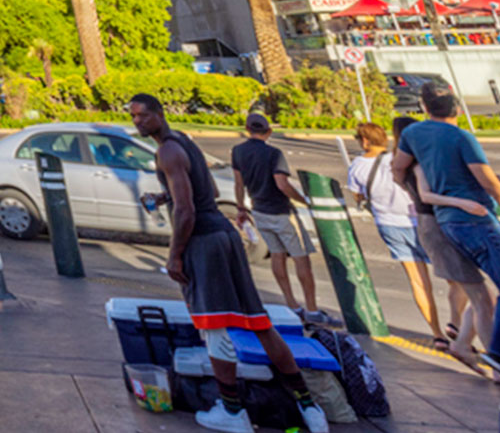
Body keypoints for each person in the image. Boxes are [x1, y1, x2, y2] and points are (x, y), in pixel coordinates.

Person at [130, 94, 325, 433]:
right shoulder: (182, 143)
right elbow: (194, 190)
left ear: (160, 114)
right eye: (133, 117)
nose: (137, 122)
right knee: (257, 321)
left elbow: (187, 210)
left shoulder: (168, 151)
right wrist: (163, 196)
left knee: (213, 324)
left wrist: (175, 254)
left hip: (204, 241)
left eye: (143, 116)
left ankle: (233, 411)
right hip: (224, 235)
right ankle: (308, 406)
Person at [393, 79, 500, 382]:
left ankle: (497, 352)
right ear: (455, 105)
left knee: (494, 292)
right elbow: (491, 184)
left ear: (424, 107)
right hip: (478, 221)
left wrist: (412, 190)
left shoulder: (413, 133)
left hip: (447, 223)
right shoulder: (462, 138)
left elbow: (398, 168)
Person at [394, 112, 492, 368]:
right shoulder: (419, 165)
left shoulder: (402, 166)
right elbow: (427, 196)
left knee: (473, 289)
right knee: (482, 296)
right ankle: (493, 357)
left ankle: (458, 331)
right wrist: (462, 202)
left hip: (433, 225)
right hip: (438, 224)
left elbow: (404, 184)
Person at [346, 120, 444, 347]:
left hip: (388, 223)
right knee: (453, 276)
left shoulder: (357, 165)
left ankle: (437, 333)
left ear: (364, 141)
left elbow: (357, 196)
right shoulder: (399, 159)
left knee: (418, 282)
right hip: (418, 219)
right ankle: (458, 325)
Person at [228, 112, 319, 315]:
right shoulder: (274, 154)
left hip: (259, 210)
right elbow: (282, 184)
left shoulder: (238, 151)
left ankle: (291, 303)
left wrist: (241, 207)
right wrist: (303, 200)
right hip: (281, 211)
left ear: (247, 130)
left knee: (277, 255)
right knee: (300, 257)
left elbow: (238, 182)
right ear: (268, 131)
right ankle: (312, 308)